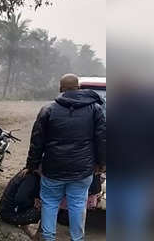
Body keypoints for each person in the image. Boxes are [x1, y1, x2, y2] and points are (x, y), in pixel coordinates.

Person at [25, 73, 106, 241]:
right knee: (77, 204)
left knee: (50, 202)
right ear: (79, 88)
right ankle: (77, 238)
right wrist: (101, 164)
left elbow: (37, 141)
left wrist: (32, 165)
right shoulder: (95, 109)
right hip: (82, 170)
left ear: (61, 89)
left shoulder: (48, 109)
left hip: (53, 168)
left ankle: (48, 237)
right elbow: (102, 139)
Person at [0, 169, 41, 239]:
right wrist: (34, 201)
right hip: (8, 215)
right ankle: (37, 237)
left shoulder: (28, 173)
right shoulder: (31, 178)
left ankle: (25, 227)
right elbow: (20, 199)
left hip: (6, 211)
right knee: (46, 208)